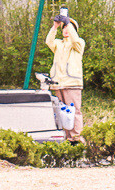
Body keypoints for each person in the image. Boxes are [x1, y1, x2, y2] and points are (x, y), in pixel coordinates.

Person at [45, 11, 86, 142]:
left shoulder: (78, 43)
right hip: (58, 83)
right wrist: (55, 26)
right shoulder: (58, 44)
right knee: (61, 112)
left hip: (72, 83)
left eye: (69, 28)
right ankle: (65, 137)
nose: (66, 30)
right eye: (65, 28)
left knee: (74, 111)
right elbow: (48, 41)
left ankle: (76, 138)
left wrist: (68, 23)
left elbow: (75, 39)